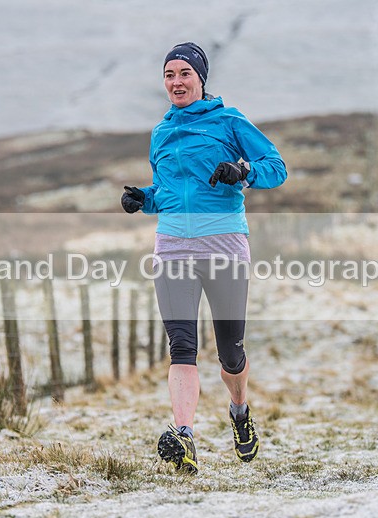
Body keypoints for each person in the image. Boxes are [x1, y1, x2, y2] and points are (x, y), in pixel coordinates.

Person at [121, 42, 287, 474]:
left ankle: (239, 412)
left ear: (201, 79)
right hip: (173, 246)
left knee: (231, 352)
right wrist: (145, 198)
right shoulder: (161, 132)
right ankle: (184, 436)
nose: (176, 82)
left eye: (184, 74)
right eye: (169, 75)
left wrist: (244, 171)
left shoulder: (229, 121)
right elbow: (171, 191)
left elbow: (276, 166)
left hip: (224, 244)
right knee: (181, 347)